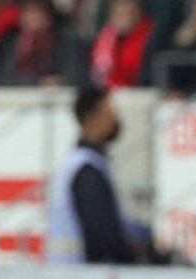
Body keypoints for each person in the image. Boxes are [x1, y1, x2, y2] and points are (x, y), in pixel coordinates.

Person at [47, 86, 150, 265]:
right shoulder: (87, 171)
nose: (115, 119)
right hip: (79, 275)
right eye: (110, 111)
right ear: (93, 117)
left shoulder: (77, 164)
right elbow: (105, 237)